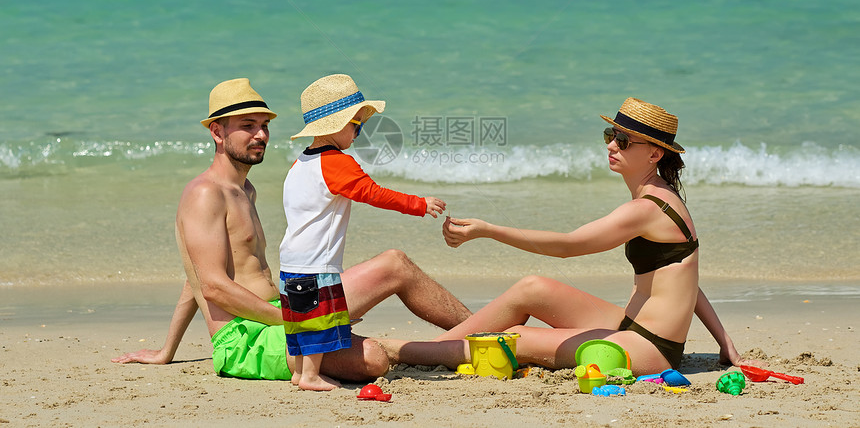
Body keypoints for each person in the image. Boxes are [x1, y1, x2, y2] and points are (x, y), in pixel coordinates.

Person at [112, 78, 470, 383]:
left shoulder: (245, 191)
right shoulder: (205, 194)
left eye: (264, 125)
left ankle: (485, 332)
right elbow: (213, 286)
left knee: (395, 263)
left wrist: (166, 350)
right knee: (374, 357)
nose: (261, 134)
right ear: (217, 132)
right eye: (248, 125)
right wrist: (294, 317)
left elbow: (194, 278)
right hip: (247, 339)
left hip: (284, 306)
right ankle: (469, 346)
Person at [381, 98, 752, 375]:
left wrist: (490, 231)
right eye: (611, 135)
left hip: (649, 348)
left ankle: (396, 350)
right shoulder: (660, 197)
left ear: (655, 153)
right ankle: (429, 350)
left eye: (623, 140)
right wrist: (725, 342)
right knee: (532, 287)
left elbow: (568, 246)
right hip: (630, 325)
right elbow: (687, 277)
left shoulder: (647, 208)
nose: (611, 145)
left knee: (518, 340)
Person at [280, 74, 447, 391]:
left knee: (300, 320)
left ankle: (300, 372)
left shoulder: (299, 163)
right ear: (334, 125)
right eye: (356, 123)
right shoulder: (337, 164)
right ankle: (311, 377)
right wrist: (418, 204)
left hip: (290, 261)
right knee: (318, 321)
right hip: (317, 264)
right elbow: (375, 193)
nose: (359, 131)